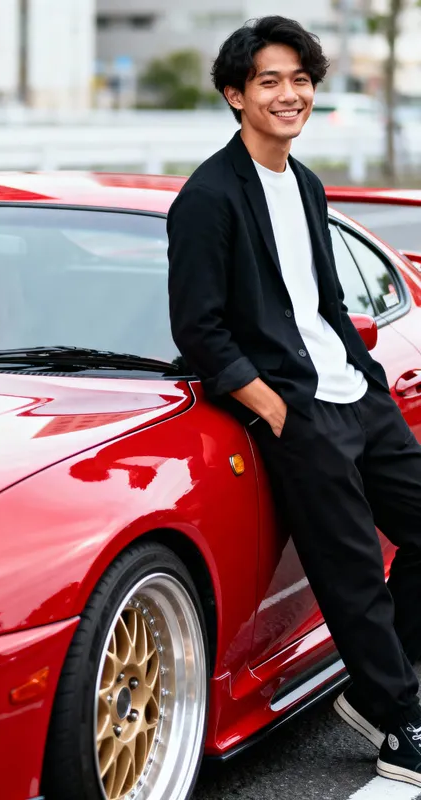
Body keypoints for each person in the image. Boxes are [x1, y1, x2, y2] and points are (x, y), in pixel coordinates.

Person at [167, 15, 421, 788]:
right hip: (295, 411)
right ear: (235, 95)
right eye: (270, 81)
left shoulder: (303, 182)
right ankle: (402, 721)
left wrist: (365, 377)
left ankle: (380, 685)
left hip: (358, 396)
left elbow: (323, 303)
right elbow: (199, 327)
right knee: (347, 573)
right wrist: (273, 408)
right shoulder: (209, 198)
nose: (290, 94)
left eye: (300, 79)